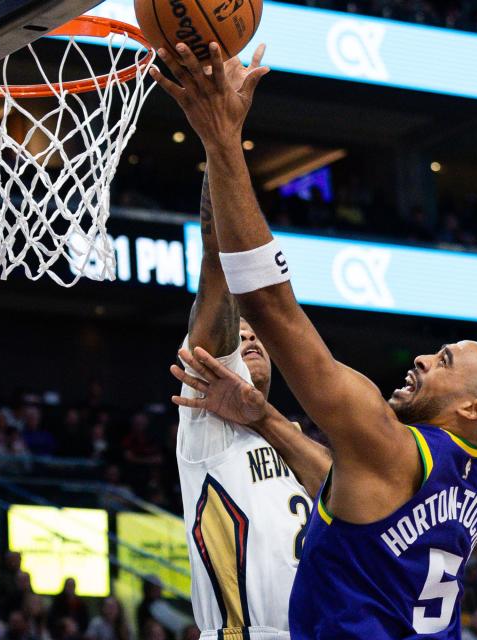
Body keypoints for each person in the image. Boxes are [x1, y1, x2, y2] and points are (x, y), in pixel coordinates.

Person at [153, 41, 477, 639]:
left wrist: (223, 138)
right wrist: (269, 420)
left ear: (471, 407)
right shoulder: (473, 470)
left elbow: (269, 304)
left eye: (446, 360)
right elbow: (348, 480)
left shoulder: (386, 442)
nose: (425, 356)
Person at [163, 42, 321, 640]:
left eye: (259, 336)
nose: (247, 339)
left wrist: (272, 424)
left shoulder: (295, 437)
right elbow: (218, 269)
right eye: (240, 333)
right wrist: (218, 136)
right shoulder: (211, 412)